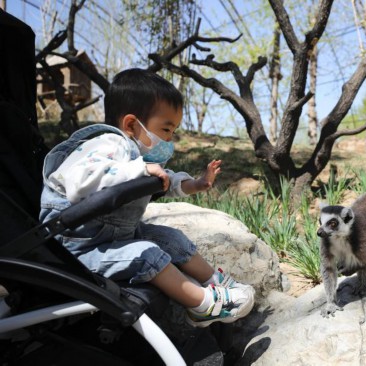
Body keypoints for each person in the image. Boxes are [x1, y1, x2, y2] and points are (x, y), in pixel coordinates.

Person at [40, 68, 254, 328]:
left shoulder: (136, 152)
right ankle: (203, 305)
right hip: (76, 245)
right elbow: (79, 182)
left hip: (110, 235)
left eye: (173, 131)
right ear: (131, 124)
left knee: (171, 239)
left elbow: (164, 178)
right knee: (147, 254)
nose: (170, 139)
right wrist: (138, 170)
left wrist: (195, 184)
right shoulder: (106, 144)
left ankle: (217, 283)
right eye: (166, 129)